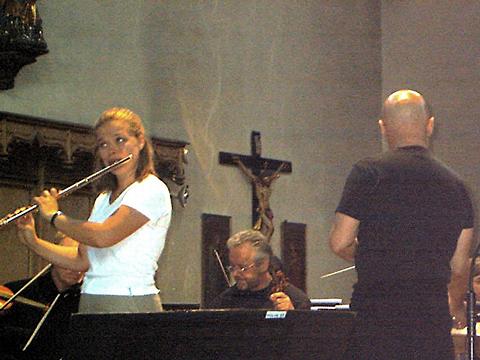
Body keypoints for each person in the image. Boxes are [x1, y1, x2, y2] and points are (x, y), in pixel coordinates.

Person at [328, 90, 474, 360]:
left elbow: (340, 242)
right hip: (431, 320)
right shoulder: (458, 186)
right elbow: (459, 264)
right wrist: (453, 306)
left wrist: (373, 255)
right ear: (430, 125)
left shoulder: (367, 173)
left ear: (383, 128)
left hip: (375, 317)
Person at [15, 107, 172, 314]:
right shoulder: (103, 199)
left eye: (120, 140)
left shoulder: (151, 189)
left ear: (140, 141)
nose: (112, 151)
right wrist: (33, 241)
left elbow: (104, 236)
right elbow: (83, 259)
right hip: (91, 297)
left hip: (130, 300)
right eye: (103, 145)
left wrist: (55, 216)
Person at [0, 236, 83, 360]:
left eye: (81, 261)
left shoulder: (89, 304)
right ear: (51, 257)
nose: (74, 267)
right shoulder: (16, 292)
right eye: (67, 259)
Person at [210, 229, 311, 310]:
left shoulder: (295, 300)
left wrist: (293, 317)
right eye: (232, 267)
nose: (235, 274)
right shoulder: (225, 301)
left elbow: (305, 334)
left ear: (263, 264)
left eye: (242, 268)